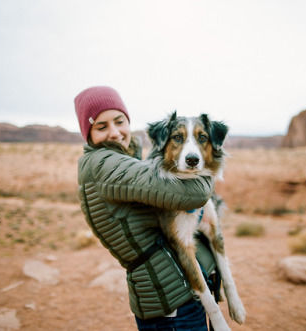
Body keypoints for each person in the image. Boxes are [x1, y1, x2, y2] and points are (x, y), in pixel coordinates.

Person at [75, 86, 218, 330]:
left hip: (172, 295)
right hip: (170, 305)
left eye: (119, 121)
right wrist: (206, 164)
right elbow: (194, 194)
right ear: (87, 133)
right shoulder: (104, 164)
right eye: (101, 126)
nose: (115, 133)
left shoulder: (122, 160)